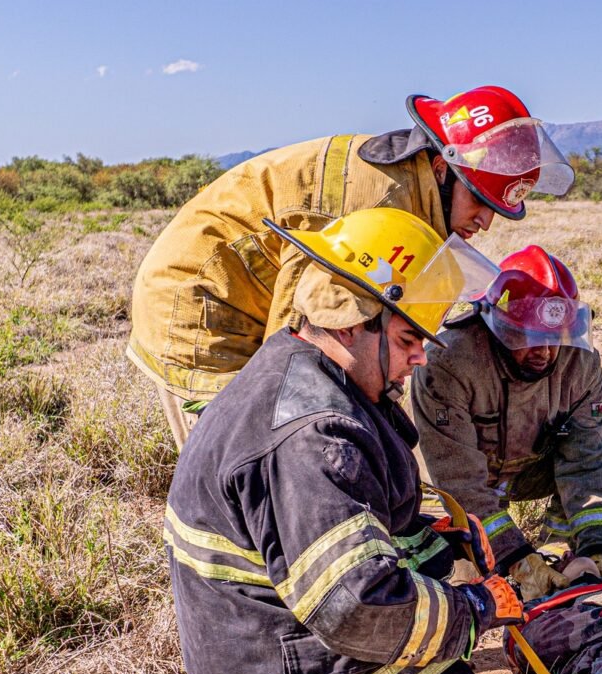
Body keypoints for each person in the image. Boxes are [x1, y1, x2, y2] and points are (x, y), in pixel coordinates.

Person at [164, 206, 527, 674]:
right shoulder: (314, 434)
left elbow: (346, 534)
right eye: (405, 336)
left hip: (244, 655)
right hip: (290, 672)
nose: (421, 354)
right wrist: (477, 608)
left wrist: (440, 546)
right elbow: (358, 607)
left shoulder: (292, 367)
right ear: (349, 318)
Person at [128, 85, 574, 447]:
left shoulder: (413, 196)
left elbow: (370, 332)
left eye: (499, 207)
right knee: (250, 456)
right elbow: (300, 341)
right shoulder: (378, 204)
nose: (486, 221)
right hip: (202, 303)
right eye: (479, 199)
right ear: (442, 168)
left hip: (243, 295)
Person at [412, 246, 602, 602]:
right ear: (497, 326)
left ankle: (558, 548)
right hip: (444, 486)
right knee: (460, 581)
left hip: (525, 468)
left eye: (553, 337)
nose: (543, 351)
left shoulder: (581, 364)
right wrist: (516, 559)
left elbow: (592, 459)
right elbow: (460, 481)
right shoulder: (450, 364)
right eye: (528, 339)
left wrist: (599, 550)